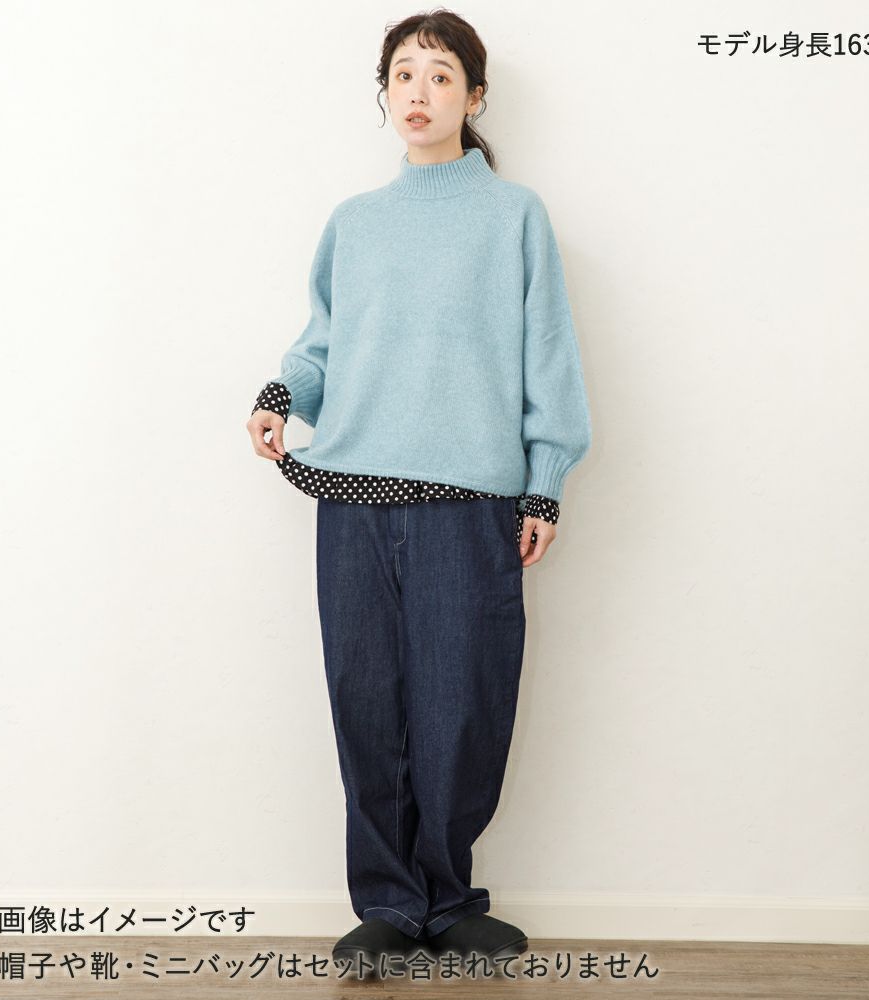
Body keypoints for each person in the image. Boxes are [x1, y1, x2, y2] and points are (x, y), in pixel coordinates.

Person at [246, 9, 592, 976]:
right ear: (384, 92)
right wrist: (281, 396)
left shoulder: (514, 216)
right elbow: (323, 343)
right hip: (353, 497)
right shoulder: (355, 223)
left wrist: (544, 485)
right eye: (403, 73)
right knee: (366, 700)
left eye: (440, 76)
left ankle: (447, 900)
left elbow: (549, 356)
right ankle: (389, 906)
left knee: (462, 701)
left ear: (473, 97)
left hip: (470, 501)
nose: (419, 92)